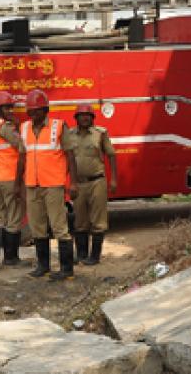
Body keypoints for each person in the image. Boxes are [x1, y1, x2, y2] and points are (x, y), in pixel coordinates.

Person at [20, 89, 79, 281]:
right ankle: (43, 266)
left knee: (59, 227)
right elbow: (22, 156)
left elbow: (70, 156)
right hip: (32, 185)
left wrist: (74, 183)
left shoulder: (59, 126)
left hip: (53, 184)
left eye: (37, 111)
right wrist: (16, 182)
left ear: (46, 110)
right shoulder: (24, 128)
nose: (34, 115)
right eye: (31, 111)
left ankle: (67, 269)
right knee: (37, 227)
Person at [69, 103, 118, 266]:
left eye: (88, 115)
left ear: (92, 118)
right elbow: (68, 160)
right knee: (79, 221)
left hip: (97, 182)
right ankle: (81, 254)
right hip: (79, 184)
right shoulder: (70, 135)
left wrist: (113, 180)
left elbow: (111, 155)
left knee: (98, 221)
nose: (85, 118)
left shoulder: (100, 134)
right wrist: (71, 182)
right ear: (76, 118)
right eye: (81, 115)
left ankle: (94, 257)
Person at [0, 91, 27, 268]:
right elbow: (22, 146)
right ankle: (11, 258)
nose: (10, 111)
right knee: (15, 217)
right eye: (7, 108)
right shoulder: (4, 127)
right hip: (9, 177)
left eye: (11, 107)